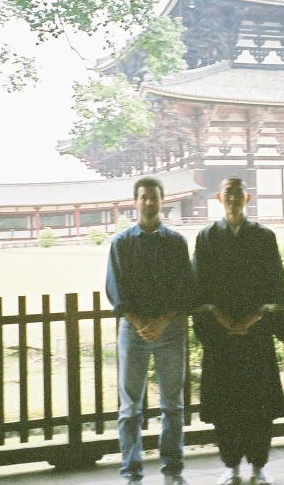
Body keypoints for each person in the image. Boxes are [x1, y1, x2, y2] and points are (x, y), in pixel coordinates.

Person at [192, 177, 284, 485]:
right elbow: (199, 288)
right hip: (221, 336)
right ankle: (231, 465)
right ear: (219, 198)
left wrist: (251, 320)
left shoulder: (264, 236)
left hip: (256, 332)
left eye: (238, 194)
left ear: (247, 198)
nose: (233, 200)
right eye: (227, 194)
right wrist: (221, 319)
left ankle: (259, 466)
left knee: (258, 404)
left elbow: (275, 282)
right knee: (225, 404)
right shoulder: (207, 237)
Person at [106, 176, 192, 485]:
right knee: (130, 407)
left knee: (173, 404)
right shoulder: (122, 243)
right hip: (133, 330)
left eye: (153, 197)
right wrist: (141, 322)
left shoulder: (176, 242)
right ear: (135, 201)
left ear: (162, 200)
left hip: (170, 329)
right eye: (143, 197)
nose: (148, 202)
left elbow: (185, 289)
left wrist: (164, 320)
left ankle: (172, 468)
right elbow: (116, 289)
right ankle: (131, 471)